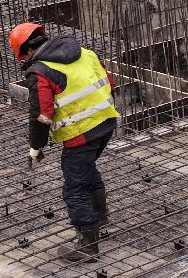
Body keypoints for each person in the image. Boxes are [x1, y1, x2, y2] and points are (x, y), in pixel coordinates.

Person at [11, 22, 119, 264]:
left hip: (81, 134)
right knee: (87, 170)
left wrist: (36, 147)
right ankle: (99, 218)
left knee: (75, 186)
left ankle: (88, 246)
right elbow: (110, 83)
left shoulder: (40, 71)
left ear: (25, 51)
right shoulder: (86, 53)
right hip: (107, 122)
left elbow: (41, 115)